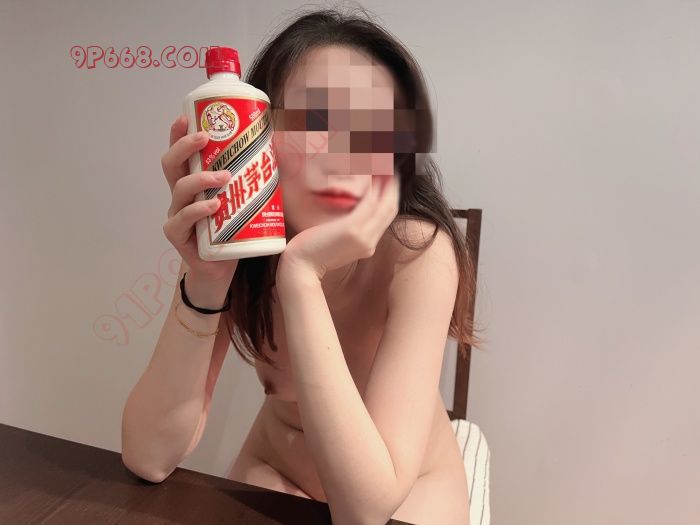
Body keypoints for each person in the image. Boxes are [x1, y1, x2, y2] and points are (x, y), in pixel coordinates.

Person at [122, 6, 483, 525]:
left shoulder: (417, 253)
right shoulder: (238, 242)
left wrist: (300, 275)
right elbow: (148, 456)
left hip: (403, 488)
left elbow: (365, 508)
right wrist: (204, 278)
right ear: (258, 134)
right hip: (278, 467)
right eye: (315, 121)